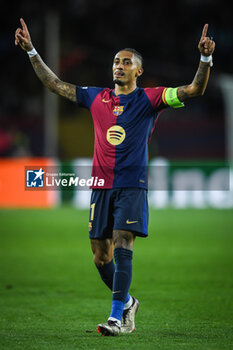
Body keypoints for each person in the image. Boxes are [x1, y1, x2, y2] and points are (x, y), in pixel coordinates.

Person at [15, 18, 215, 336]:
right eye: (116, 61)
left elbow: (194, 89)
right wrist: (31, 52)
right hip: (99, 186)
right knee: (100, 255)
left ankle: (116, 318)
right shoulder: (96, 97)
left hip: (131, 185)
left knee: (123, 242)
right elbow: (55, 84)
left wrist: (205, 59)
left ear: (139, 71)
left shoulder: (151, 99)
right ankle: (128, 302)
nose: (118, 66)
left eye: (126, 62)